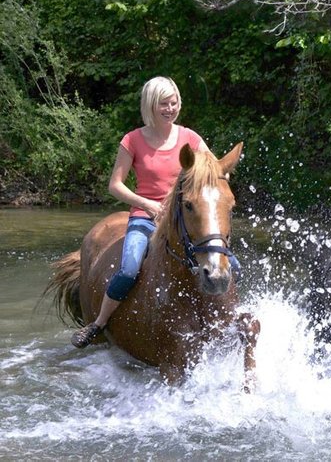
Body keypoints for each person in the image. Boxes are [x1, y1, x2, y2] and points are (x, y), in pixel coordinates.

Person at [71, 76, 221, 348]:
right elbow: (114, 186)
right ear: (150, 105)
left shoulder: (191, 138)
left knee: (228, 263)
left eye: (174, 103)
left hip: (180, 220)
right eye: (163, 104)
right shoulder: (132, 140)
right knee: (128, 268)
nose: (170, 109)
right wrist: (148, 204)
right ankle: (99, 323)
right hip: (144, 217)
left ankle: (225, 322)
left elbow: (214, 173)